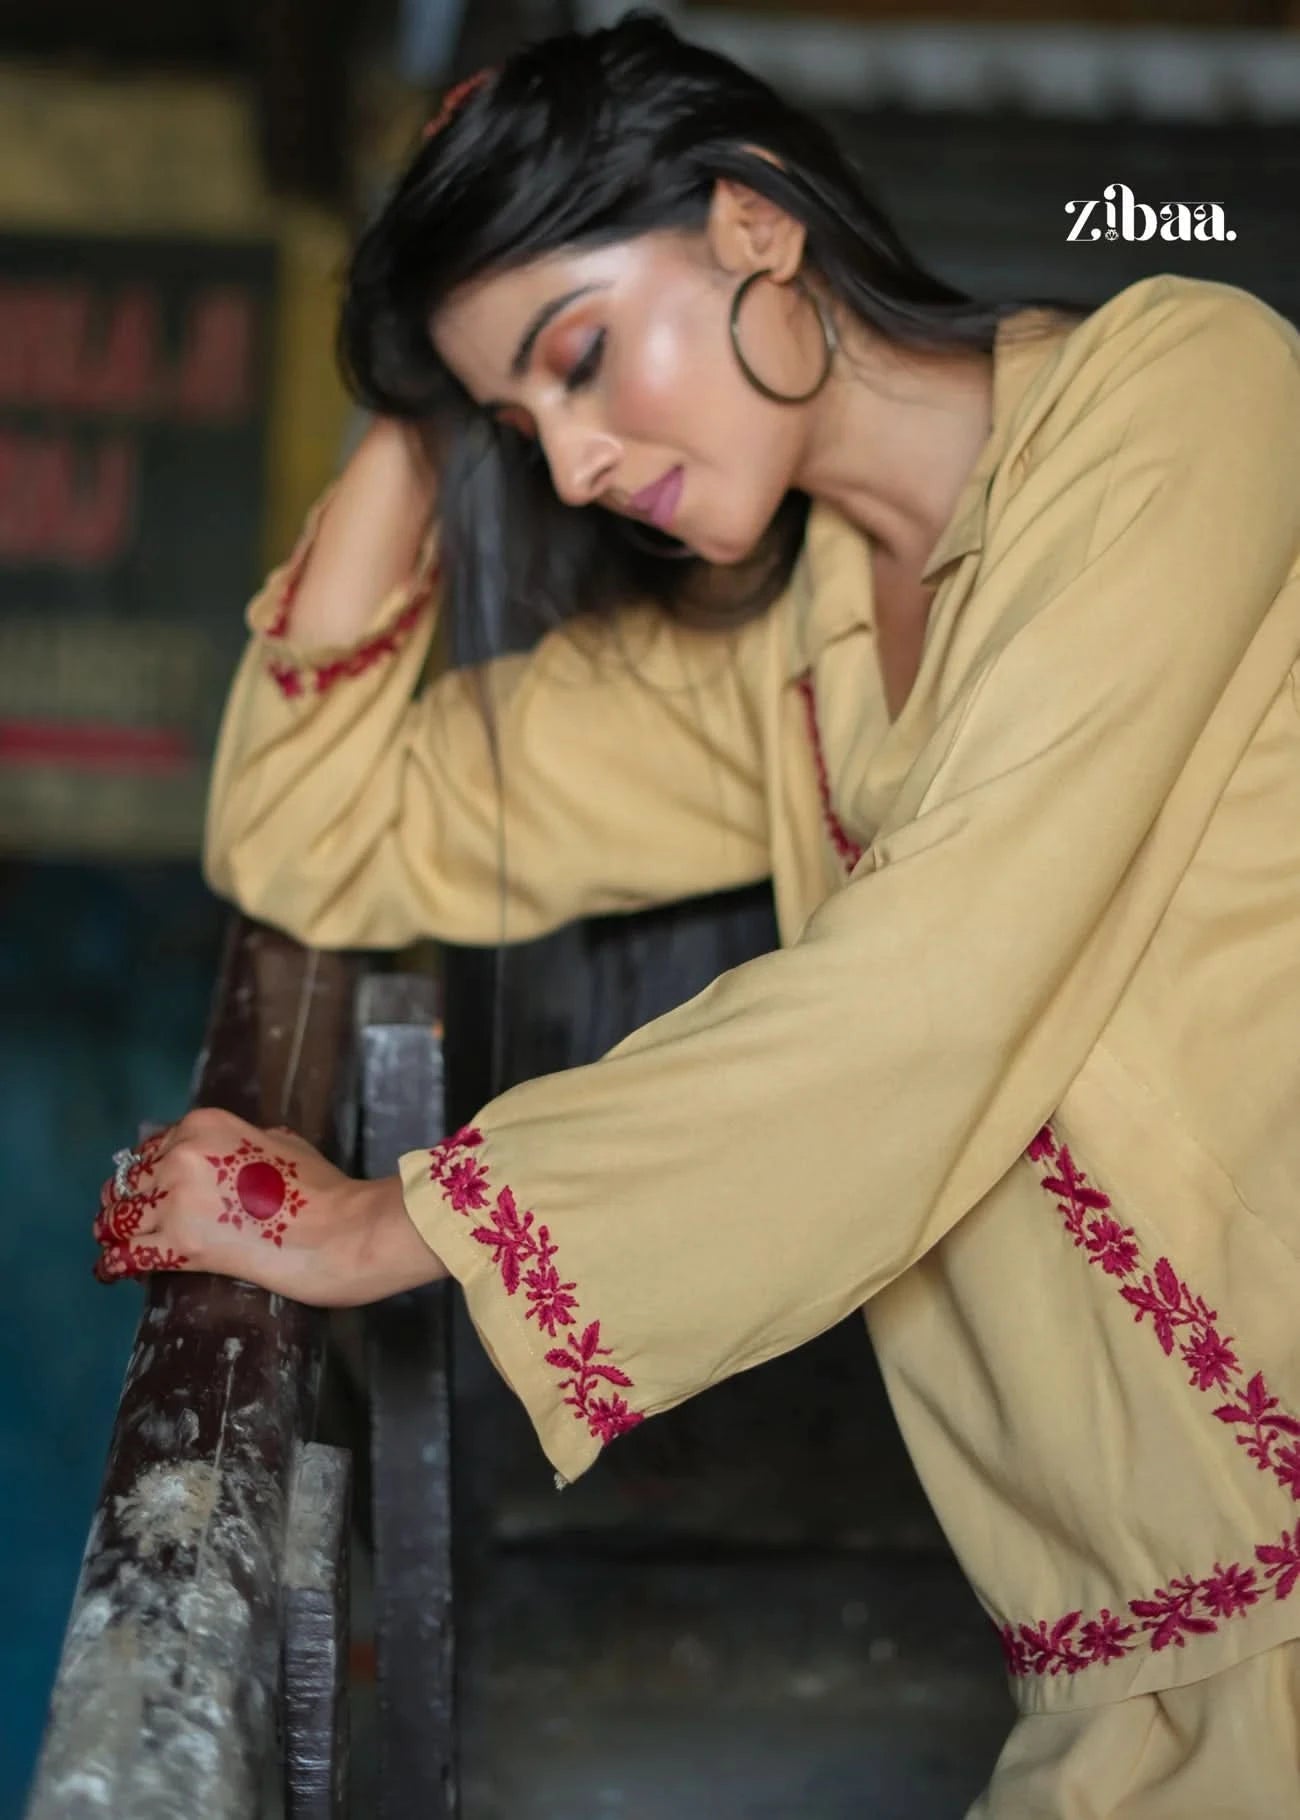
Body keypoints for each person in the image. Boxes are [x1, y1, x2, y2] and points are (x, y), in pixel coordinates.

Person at [94, 14, 1300, 1816]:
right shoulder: (793, 665)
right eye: (519, 424)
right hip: (1129, 1685)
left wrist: (386, 1224)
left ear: (753, 220)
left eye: (580, 356)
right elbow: (310, 833)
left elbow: (938, 986)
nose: (572, 464)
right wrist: (419, 386)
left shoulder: (1185, 391)